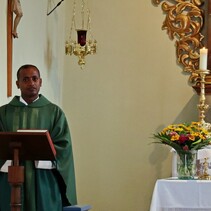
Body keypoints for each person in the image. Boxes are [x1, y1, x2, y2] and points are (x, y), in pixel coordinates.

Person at [0, 64, 77, 210]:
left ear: (40, 82)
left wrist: (40, 153)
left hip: (44, 181)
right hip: (10, 181)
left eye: (35, 79)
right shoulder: (3, 113)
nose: (31, 83)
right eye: (26, 79)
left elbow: (63, 147)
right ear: (18, 83)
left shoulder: (54, 112)